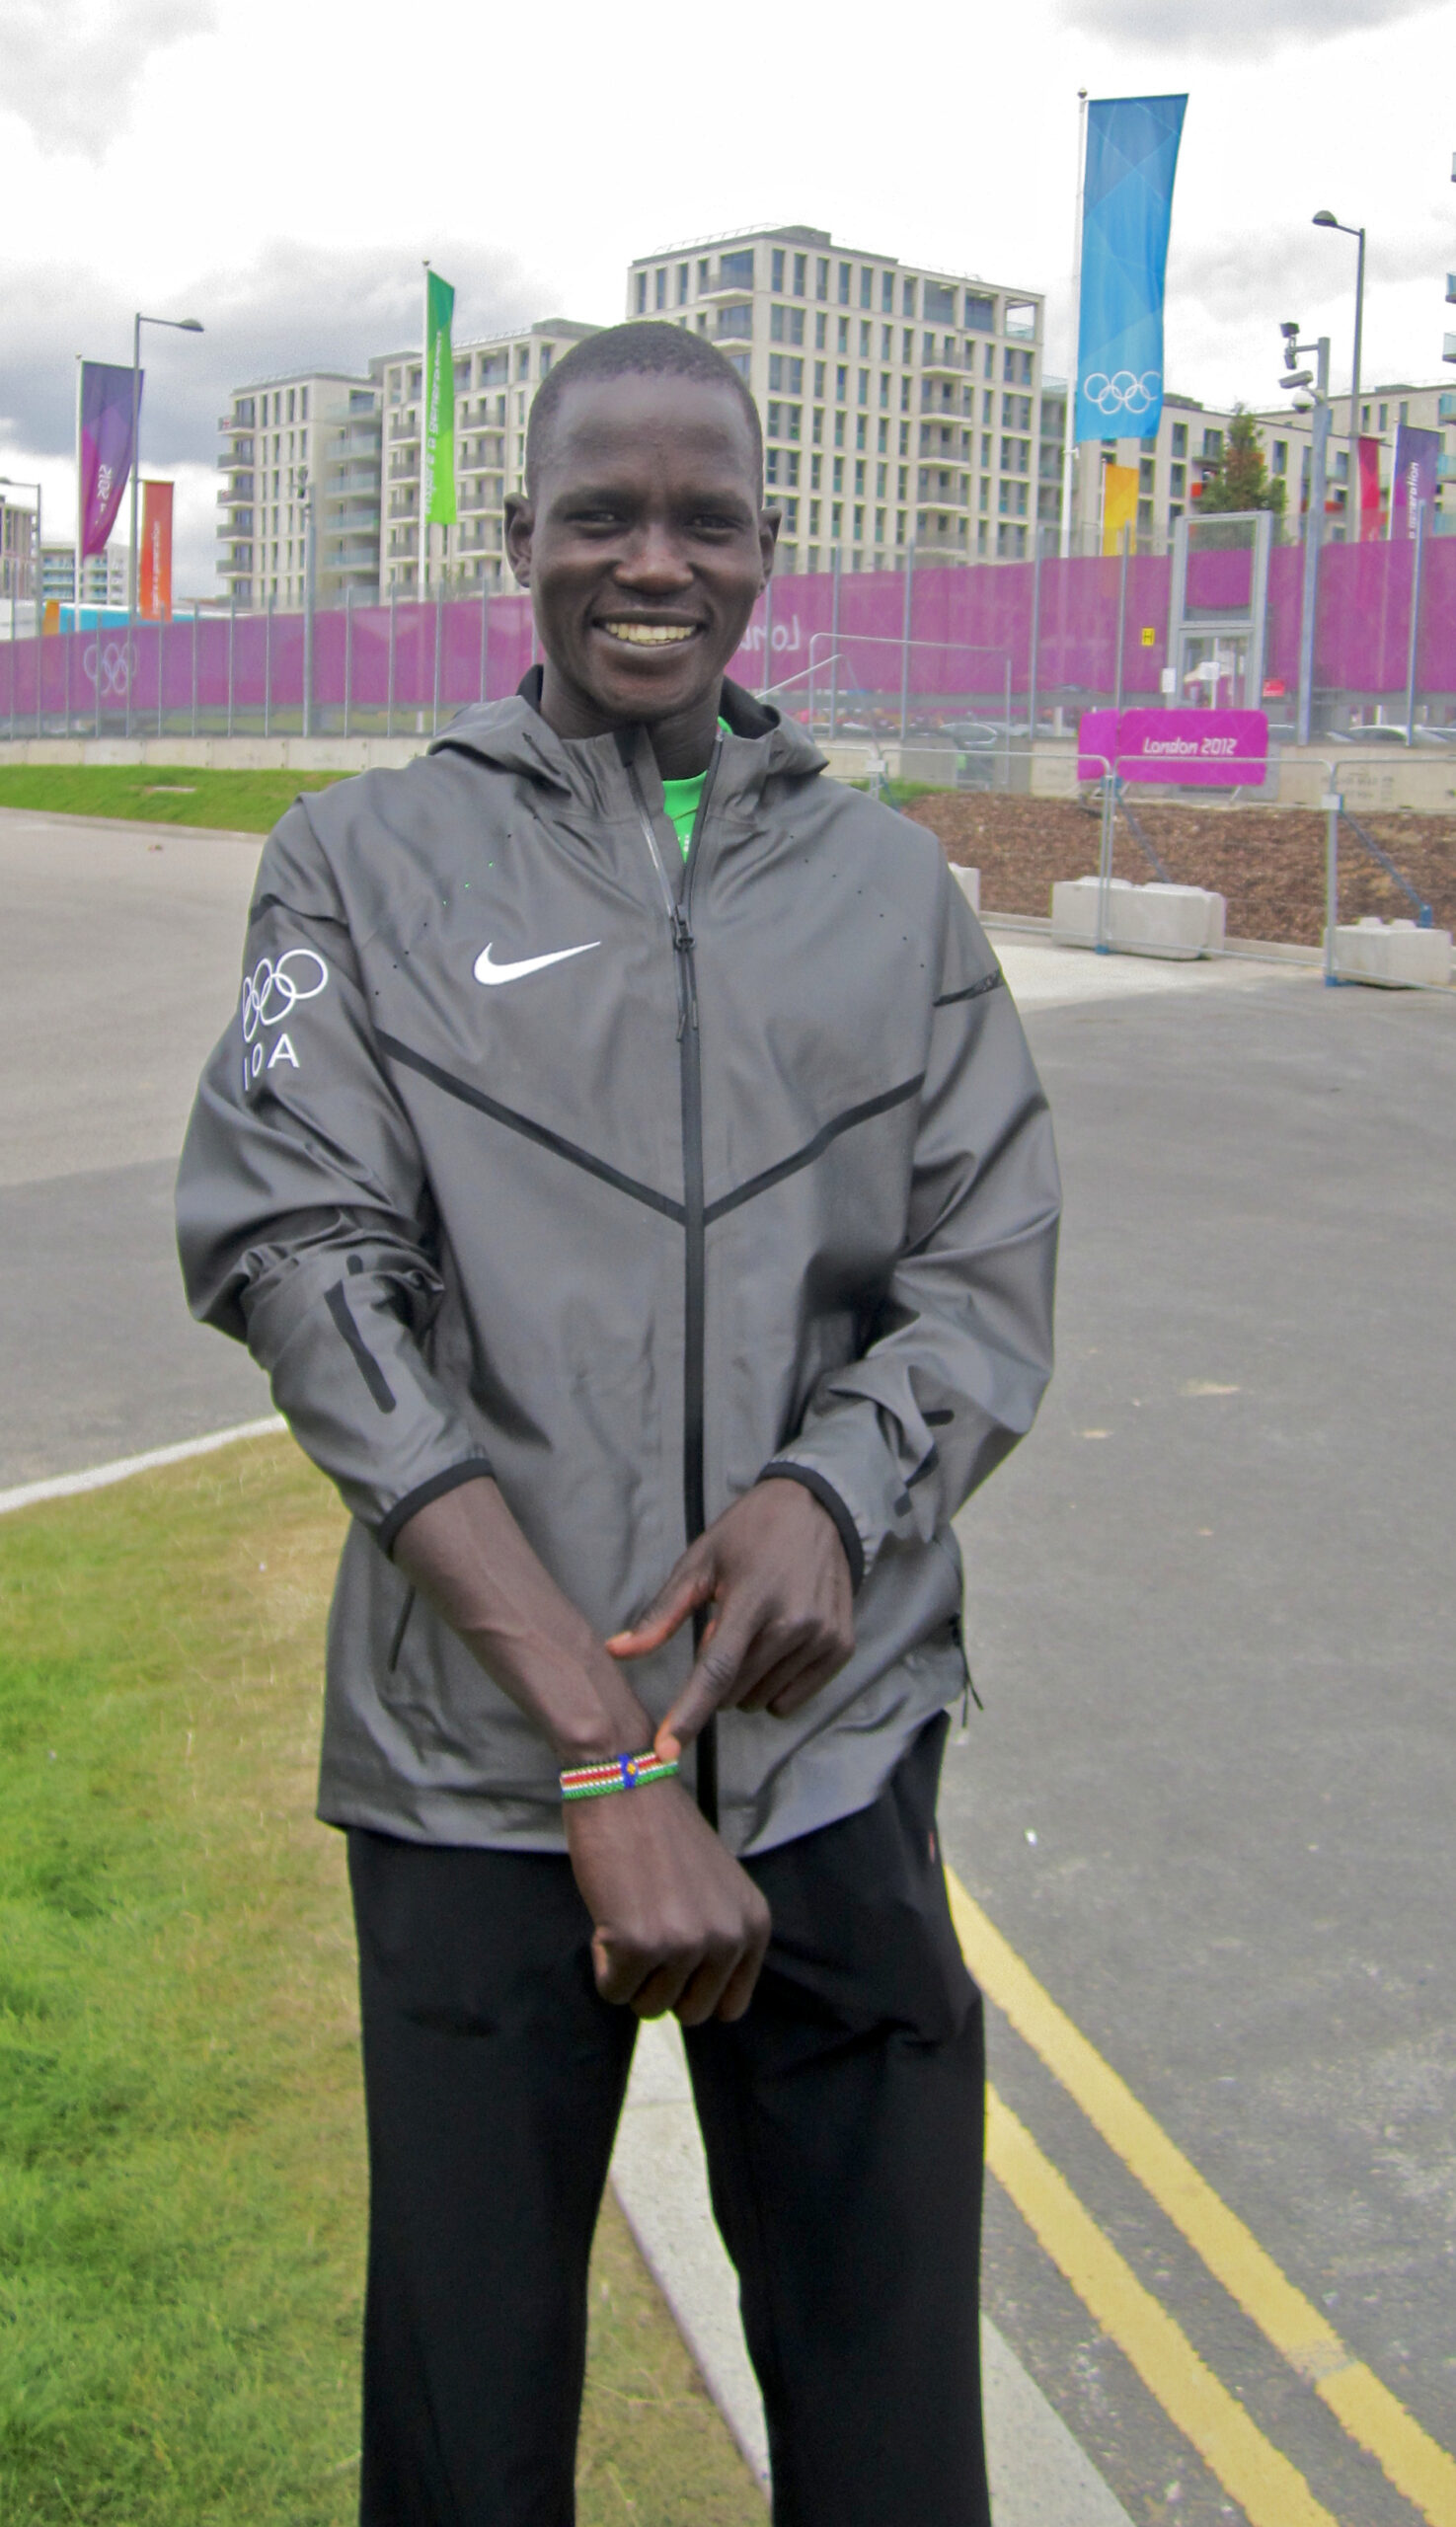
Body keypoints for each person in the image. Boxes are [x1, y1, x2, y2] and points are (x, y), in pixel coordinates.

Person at [178, 319, 1060, 2527]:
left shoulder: (896, 893)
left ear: (773, 549)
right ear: (519, 538)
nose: (650, 560)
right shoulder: (357, 863)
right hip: (485, 1783)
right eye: (602, 512)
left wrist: (832, 1483)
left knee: (892, 2451)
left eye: (705, 516)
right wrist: (596, 1739)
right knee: (471, 2446)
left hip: (828, 1749)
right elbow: (304, 1266)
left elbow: (978, 1265)